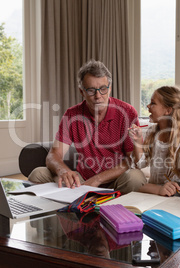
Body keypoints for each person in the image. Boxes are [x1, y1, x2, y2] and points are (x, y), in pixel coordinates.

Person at [28, 60, 146, 194]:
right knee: (38, 174)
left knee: (135, 177)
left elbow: (131, 160)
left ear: (110, 88)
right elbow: (53, 155)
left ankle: (117, 212)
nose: (98, 96)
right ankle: (55, 214)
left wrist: (98, 179)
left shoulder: (127, 112)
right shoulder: (72, 114)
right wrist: (64, 171)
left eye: (103, 89)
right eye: (91, 90)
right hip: (82, 180)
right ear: (82, 92)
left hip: (117, 180)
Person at [128, 86, 180, 193]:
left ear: (168, 110)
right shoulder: (152, 132)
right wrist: (138, 140)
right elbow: (141, 164)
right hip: (154, 190)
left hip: (174, 192)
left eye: (153, 103)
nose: (148, 106)